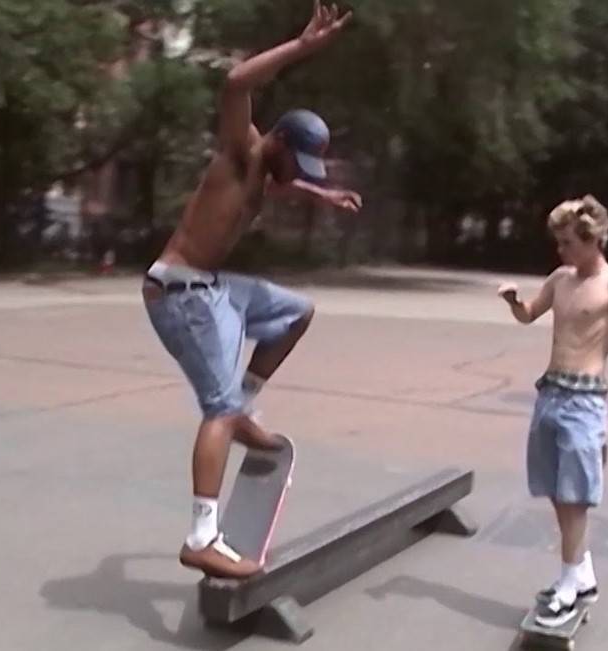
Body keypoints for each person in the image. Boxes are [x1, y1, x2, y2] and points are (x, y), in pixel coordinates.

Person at [141, 1, 362, 579]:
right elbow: (237, 82)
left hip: (215, 288)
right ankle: (201, 537)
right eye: (298, 163)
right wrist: (302, 47)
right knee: (216, 409)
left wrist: (323, 195)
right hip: (179, 294)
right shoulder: (242, 150)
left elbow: (283, 185)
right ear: (279, 141)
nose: (298, 175)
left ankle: (243, 405)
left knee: (297, 313)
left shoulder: (268, 171)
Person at [498, 195, 608, 627]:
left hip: (585, 400)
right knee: (553, 487)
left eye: (567, 242)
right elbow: (530, 314)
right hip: (550, 393)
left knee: (574, 496)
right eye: (559, 242)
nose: (560, 250)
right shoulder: (560, 279)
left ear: (592, 240)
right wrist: (515, 302)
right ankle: (581, 571)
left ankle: (568, 583)